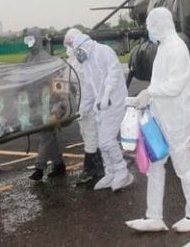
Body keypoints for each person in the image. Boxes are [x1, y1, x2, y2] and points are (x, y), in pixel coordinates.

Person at [125, 7, 190, 233]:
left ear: (159, 25)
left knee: (183, 165)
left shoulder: (177, 48)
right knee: (155, 166)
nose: (149, 30)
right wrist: (149, 98)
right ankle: (154, 216)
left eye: (150, 25)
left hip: (177, 118)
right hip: (163, 116)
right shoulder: (163, 47)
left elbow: (175, 85)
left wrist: (150, 92)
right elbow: (161, 82)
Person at [65, 30, 133, 192]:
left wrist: (107, 93)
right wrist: (83, 109)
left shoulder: (104, 51)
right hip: (100, 106)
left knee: (106, 141)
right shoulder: (86, 62)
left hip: (114, 102)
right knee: (102, 143)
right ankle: (110, 172)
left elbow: (114, 73)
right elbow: (89, 89)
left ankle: (122, 171)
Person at [22, 27, 67, 181]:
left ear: (38, 40)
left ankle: (39, 168)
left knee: (46, 135)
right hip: (35, 105)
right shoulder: (27, 59)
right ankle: (59, 164)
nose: (29, 42)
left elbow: (58, 83)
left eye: (32, 38)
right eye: (27, 39)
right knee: (49, 136)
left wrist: (59, 105)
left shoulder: (47, 59)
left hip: (49, 105)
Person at [63, 28, 104, 185]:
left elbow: (88, 90)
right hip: (83, 108)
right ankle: (99, 168)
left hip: (90, 108)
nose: (68, 48)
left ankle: (90, 170)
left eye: (69, 44)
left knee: (91, 136)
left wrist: (83, 109)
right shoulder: (73, 62)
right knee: (90, 136)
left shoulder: (84, 62)